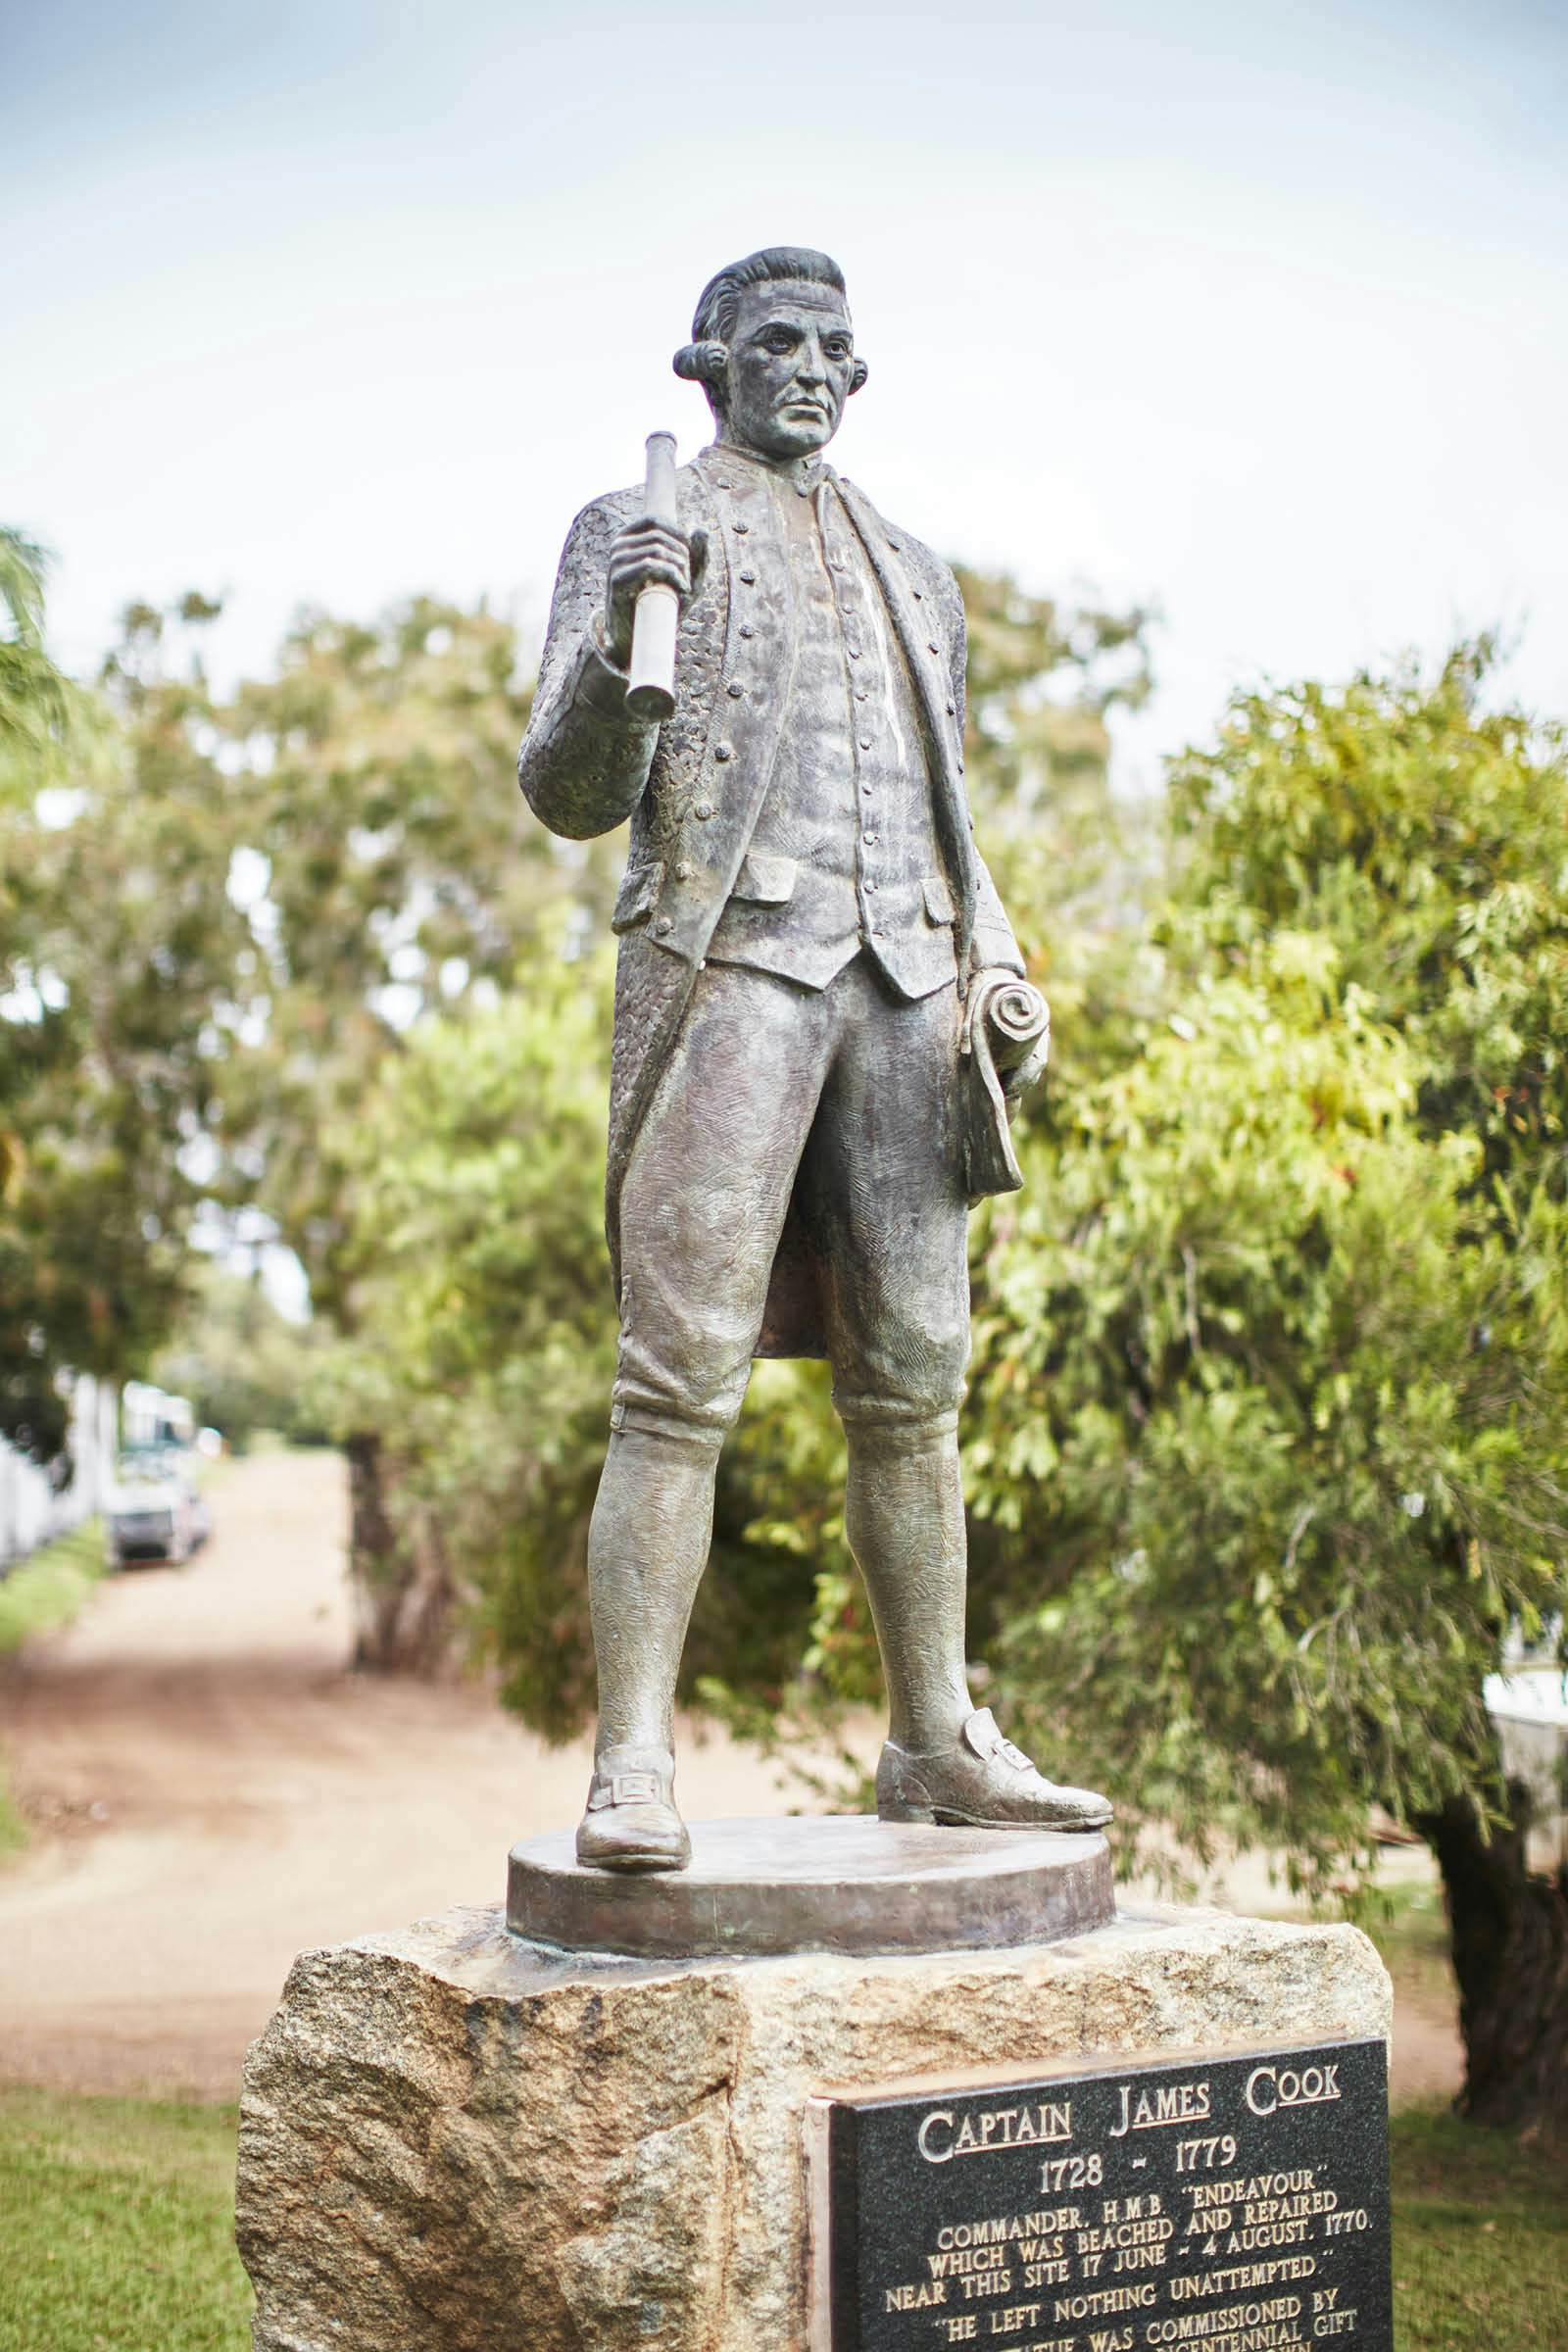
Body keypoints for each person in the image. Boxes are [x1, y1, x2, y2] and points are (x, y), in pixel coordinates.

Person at [518, 246, 1111, 1869]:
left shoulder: (920, 569)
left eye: (837, 347)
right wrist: (605, 663)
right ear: (706, 364)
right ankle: (630, 1764)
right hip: (735, 974)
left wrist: (998, 956)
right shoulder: (638, 530)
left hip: (912, 989)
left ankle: (934, 1739)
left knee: (918, 1388)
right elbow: (569, 793)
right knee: (675, 1377)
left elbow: (947, 804)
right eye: (776, 341)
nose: (812, 366)